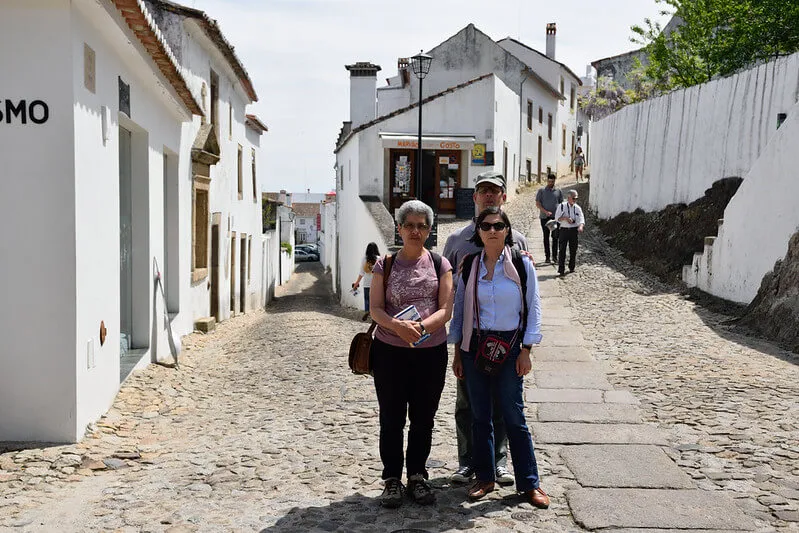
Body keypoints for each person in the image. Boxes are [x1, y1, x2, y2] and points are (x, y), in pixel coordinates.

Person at [448, 207, 550, 509]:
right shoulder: (469, 266)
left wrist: (527, 350)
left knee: (514, 416)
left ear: (507, 231)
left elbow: (534, 308)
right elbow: (460, 310)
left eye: (498, 225)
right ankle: (485, 477)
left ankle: (530, 483)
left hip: (510, 348)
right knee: (480, 418)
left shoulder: (522, 265)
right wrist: (457, 351)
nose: (492, 230)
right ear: (479, 232)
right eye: (486, 226)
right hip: (474, 347)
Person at [442, 170, 527, 487]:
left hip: (507, 339)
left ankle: (498, 461)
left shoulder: (517, 242)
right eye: (483, 191)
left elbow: (526, 297)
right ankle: (468, 462)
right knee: (467, 403)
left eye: (495, 191)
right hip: (470, 340)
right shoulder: (456, 242)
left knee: (503, 403)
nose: (489, 196)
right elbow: (448, 291)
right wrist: (454, 346)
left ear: (504, 197)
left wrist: (525, 346)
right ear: (475, 197)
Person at [369, 200, 454, 508]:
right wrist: (396, 326)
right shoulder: (385, 264)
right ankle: (391, 479)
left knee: (423, 419)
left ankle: (417, 475)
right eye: (410, 225)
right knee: (391, 418)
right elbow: (375, 308)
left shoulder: (439, 263)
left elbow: (445, 308)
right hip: (389, 352)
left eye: (422, 226)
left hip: (430, 354)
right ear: (399, 229)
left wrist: (418, 328)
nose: (415, 231)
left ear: (429, 231)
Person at [555, 189, 585, 276]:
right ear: (568, 198)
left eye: (576, 198)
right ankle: (561, 269)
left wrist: (580, 226)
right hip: (564, 230)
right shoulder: (561, 206)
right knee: (562, 250)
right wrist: (565, 218)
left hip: (573, 231)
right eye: (573, 198)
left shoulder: (578, 208)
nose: (575, 200)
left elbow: (581, 218)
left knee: (573, 250)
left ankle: (572, 267)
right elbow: (557, 218)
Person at [534, 173, 563, 264]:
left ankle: (555, 257)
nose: (551, 183)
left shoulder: (558, 191)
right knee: (546, 237)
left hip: (554, 218)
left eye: (552, 181)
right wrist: (545, 211)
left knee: (555, 237)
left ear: (555, 181)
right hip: (544, 218)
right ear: (547, 181)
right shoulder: (541, 191)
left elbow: (561, 204)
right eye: (549, 181)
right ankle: (547, 257)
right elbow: (538, 204)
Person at [352, 242, 379, 321]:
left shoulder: (365, 259)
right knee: (375, 300)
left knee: (367, 299)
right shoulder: (379, 258)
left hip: (366, 283)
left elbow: (362, 272)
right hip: (376, 284)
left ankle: (367, 311)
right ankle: (374, 314)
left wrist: (356, 283)